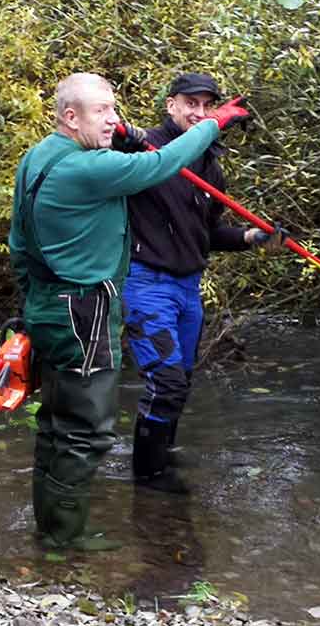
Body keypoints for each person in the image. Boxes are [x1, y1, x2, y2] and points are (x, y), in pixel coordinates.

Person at [8, 72, 249, 551]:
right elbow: (164, 162)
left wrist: (28, 306)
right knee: (86, 429)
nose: (113, 121)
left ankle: (52, 528)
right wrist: (215, 124)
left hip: (48, 304)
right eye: (102, 112)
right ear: (70, 117)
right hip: (83, 312)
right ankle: (66, 538)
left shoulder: (37, 157)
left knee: (55, 424)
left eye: (114, 110)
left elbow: (18, 244)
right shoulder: (87, 167)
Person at [124, 72, 279, 493]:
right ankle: (149, 480)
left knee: (182, 381)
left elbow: (206, 233)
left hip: (187, 288)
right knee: (166, 382)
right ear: (171, 104)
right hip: (146, 284)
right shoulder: (144, 147)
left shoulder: (211, 166)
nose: (198, 112)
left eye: (207, 106)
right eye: (190, 103)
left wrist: (251, 238)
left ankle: (163, 457)